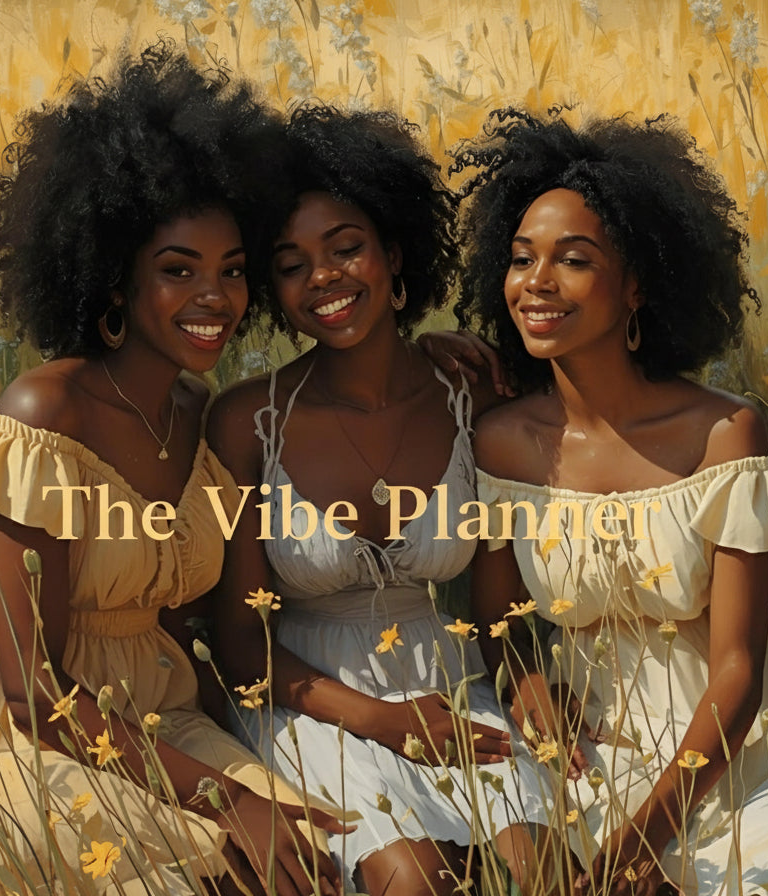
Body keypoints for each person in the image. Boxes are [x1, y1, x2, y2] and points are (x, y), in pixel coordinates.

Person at [0, 44, 344, 896]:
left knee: (303, 863)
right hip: (11, 732)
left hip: (148, 714)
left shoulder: (191, 414)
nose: (215, 296)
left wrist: (247, 766)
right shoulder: (44, 416)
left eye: (232, 270)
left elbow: (171, 626)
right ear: (115, 280)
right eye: (179, 271)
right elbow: (30, 693)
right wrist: (221, 797)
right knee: (210, 872)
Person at [455, 109, 768, 896]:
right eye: (520, 259)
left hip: (735, 744)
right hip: (586, 738)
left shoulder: (721, 433)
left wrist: (639, 842)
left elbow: (739, 668)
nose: (536, 283)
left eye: (573, 260)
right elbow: (498, 626)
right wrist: (526, 685)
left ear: (639, 283)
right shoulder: (501, 443)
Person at [208, 104, 553, 896]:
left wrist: (529, 685)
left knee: (540, 871)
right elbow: (234, 640)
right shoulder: (247, 422)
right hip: (310, 705)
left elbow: (502, 611)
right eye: (291, 264)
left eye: (346, 248)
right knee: (413, 878)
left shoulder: (472, 398)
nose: (322, 278)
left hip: (452, 685)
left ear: (395, 255)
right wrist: (378, 721)